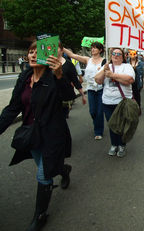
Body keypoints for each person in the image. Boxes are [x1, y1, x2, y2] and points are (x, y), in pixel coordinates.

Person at [0, 41, 72, 231]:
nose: (32, 55)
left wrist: (59, 75)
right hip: (32, 134)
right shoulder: (25, 77)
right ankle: (64, 170)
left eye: (36, 52)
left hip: (53, 134)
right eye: (30, 52)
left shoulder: (53, 76)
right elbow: (13, 107)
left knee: (43, 173)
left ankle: (40, 215)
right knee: (48, 167)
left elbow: (67, 96)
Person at [95, 48, 135, 157]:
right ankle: (114, 144)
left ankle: (122, 145)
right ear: (111, 55)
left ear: (123, 57)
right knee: (112, 125)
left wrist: (113, 75)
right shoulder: (106, 67)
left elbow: (129, 80)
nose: (116, 55)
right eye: (114, 53)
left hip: (122, 102)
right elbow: (98, 80)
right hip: (107, 102)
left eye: (118, 54)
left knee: (121, 125)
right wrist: (104, 71)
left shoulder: (126, 67)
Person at [63, 42, 106, 140]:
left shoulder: (104, 61)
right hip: (90, 89)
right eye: (92, 48)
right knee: (92, 111)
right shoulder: (88, 60)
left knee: (99, 112)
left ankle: (98, 131)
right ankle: (97, 125)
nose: (93, 49)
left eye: (95, 48)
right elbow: (72, 55)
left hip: (101, 89)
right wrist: (62, 47)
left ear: (100, 50)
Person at [58, 43, 86, 118]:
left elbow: (75, 80)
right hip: (52, 96)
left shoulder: (69, 64)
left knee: (62, 118)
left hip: (65, 95)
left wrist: (83, 95)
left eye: (57, 48)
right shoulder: (46, 64)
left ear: (61, 50)